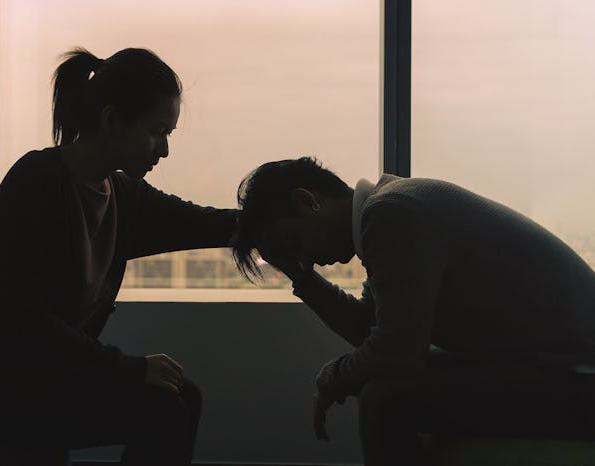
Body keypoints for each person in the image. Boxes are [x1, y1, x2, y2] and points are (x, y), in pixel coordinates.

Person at [0, 47, 236, 465]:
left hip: (36, 374)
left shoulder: (122, 196)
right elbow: (23, 320)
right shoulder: (36, 183)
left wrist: (277, 222)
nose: (164, 150)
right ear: (110, 121)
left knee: (182, 397)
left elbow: (203, 222)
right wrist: (131, 368)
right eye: (157, 131)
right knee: (162, 410)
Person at [231, 157, 595, 466]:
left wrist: (333, 376)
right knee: (383, 387)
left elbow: (396, 353)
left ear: (308, 200)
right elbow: (372, 331)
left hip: (577, 378)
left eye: (293, 243)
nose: (306, 258)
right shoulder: (390, 207)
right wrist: (303, 279)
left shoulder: (392, 214)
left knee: (384, 398)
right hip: (551, 365)